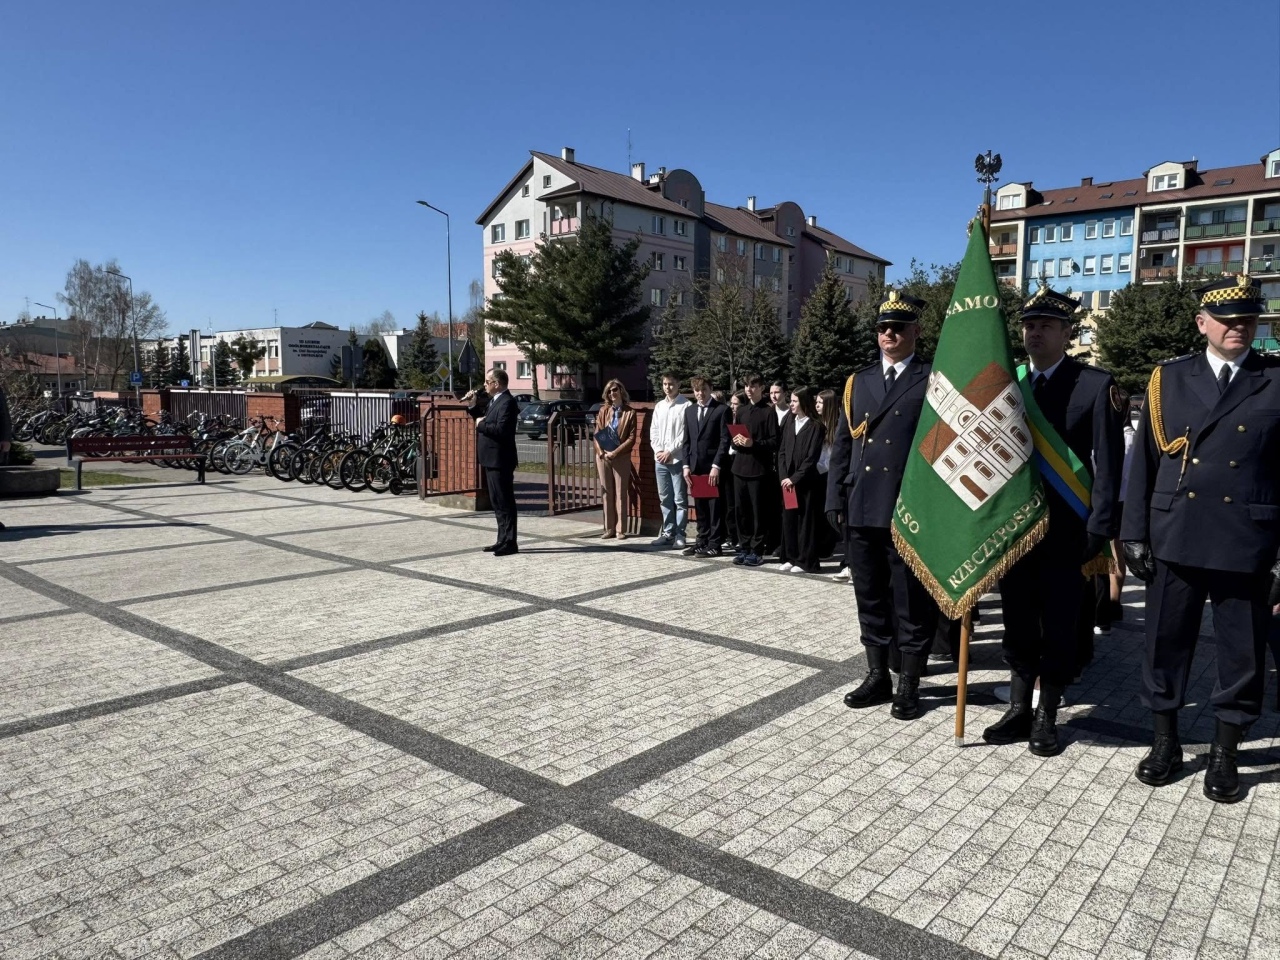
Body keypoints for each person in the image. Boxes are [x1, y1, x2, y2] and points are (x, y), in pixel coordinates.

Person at [1122, 275, 1280, 803]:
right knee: (1165, 643)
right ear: (1202, 323)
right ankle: (1164, 741)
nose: (1239, 327)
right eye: (1228, 320)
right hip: (1176, 532)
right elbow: (1144, 461)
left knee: (1242, 652)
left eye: (1248, 319)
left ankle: (1225, 751)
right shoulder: (1168, 379)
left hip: (1248, 538)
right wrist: (1133, 532)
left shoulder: (1274, 378)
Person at [984, 288, 1124, 755]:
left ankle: (1047, 714)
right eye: (1029, 325)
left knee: (1061, 623)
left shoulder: (1095, 385)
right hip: (1014, 526)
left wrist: (1100, 527)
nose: (1035, 332)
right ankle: (1018, 708)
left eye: (1046, 325)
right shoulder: (1009, 382)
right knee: (1018, 620)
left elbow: (1109, 464)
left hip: (1069, 527)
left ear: (1068, 333)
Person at [827, 291, 937, 720]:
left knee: (910, 600)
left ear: (916, 331)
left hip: (909, 506)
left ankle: (909, 680)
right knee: (869, 595)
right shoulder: (859, 381)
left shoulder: (932, 378)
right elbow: (843, 444)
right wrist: (835, 496)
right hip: (863, 504)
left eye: (898, 327)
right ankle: (877, 675)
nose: (889, 334)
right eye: (882, 328)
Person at [465, 369, 519, 556]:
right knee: (496, 501)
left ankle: (510, 542)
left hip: (501, 459)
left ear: (497, 383)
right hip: (490, 458)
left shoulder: (508, 402)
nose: (485, 385)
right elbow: (483, 418)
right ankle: (501, 539)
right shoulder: (495, 400)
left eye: (487, 382)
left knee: (505, 501)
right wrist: (473, 405)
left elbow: (501, 430)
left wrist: (480, 425)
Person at [730, 375, 780, 567]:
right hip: (739, 467)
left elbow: (774, 442)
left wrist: (754, 443)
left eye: (753, 386)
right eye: (746, 386)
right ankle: (744, 547)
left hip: (759, 469)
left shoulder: (768, 412)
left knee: (758, 512)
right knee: (741, 511)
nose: (749, 390)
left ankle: (757, 550)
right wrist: (736, 441)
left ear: (761, 388)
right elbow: (735, 435)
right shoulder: (741, 410)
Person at [777, 387, 825, 574]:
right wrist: (784, 476)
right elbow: (782, 451)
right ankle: (791, 556)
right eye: (791, 401)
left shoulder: (816, 426)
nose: (791, 404)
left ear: (804, 402)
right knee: (789, 520)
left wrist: (795, 478)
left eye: (795, 401)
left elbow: (811, 458)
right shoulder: (790, 421)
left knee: (805, 522)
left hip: (806, 483)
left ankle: (806, 561)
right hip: (787, 483)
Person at [682, 377, 730, 557]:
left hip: (713, 468)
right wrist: (686, 465)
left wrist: (717, 465)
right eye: (697, 390)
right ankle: (701, 541)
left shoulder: (721, 410)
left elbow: (725, 440)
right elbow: (686, 440)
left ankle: (715, 544)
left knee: (714, 507)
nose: (700, 394)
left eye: (704, 390)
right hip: (695, 467)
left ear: (710, 389)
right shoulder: (689, 411)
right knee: (700, 507)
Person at [649, 372, 690, 548]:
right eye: (665, 384)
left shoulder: (686, 405)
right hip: (660, 460)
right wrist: (659, 450)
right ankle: (668, 532)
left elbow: (684, 434)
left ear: (678, 384)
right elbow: (654, 431)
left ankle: (680, 534)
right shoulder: (659, 406)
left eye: (671, 384)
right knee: (665, 498)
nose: (668, 387)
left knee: (680, 499)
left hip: (676, 459)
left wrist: (670, 451)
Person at [594, 379, 637, 540]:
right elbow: (597, 434)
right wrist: (601, 453)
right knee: (607, 493)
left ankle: (620, 529)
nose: (612, 393)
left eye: (615, 390)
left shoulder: (630, 412)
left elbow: (631, 438)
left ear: (621, 391)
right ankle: (609, 528)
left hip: (621, 457)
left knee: (620, 493)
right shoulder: (603, 411)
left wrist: (615, 452)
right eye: (609, 391)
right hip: (603, 457)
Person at [815, 388, 845, 576]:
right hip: (818, 472)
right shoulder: (818, 424)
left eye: (820, 403)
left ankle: (828, 544)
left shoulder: (838, 425)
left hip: (830, 473)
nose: (816, 406)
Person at [721, 391, 744, 551]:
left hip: (740, 460)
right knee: (729, 502)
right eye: (732, 403)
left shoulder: (745, 418)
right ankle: (731, 535)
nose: (733, 407)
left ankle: (740, 537)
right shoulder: (728, 417)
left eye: (736, 404)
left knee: (739, 503)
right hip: (727, 462)